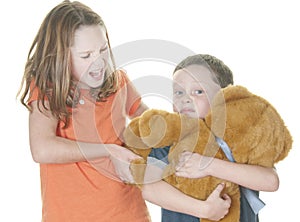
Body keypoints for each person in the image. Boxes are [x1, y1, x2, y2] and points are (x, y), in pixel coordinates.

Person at [18, 1, 231, 221]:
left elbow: (145, 118)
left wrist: (184, 126)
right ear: (60, 57)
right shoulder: (48, 91)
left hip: (128, 212)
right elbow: (42, 149)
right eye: (86, 56)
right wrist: (108, 150)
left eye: (102, 50)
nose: (98, 63)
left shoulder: (117, 81)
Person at [147, 54, 279, 221]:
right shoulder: (168, 142)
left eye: (198, 91)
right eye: (179, 92)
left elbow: (270, 181)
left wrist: (208, 165)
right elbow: (147, 187)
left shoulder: (239, 140)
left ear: (227, 97)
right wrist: (203, 210)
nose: (186, 99)